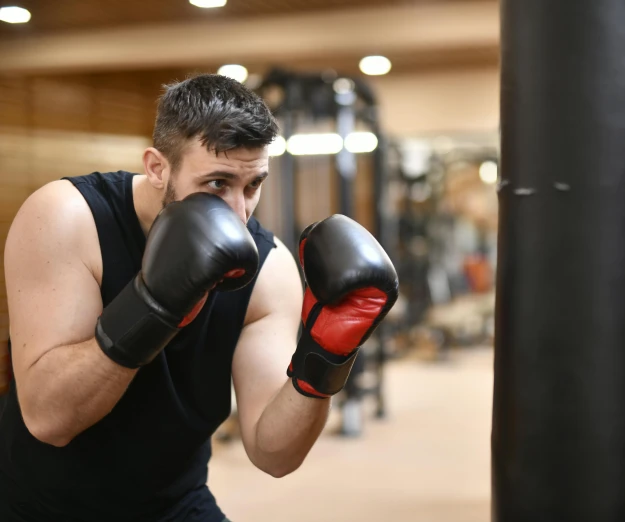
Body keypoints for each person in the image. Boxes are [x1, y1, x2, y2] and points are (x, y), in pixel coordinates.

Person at [0, 74, 398, 522]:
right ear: (157, 168)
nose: (238, 213)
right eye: (217, 184)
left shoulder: (267, 268)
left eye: (252, 186)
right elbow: (48, 420)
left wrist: (326, 357)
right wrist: (154, 306)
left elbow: (274, 454)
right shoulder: (68, 217)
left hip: (176, 504)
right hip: (40, 506)